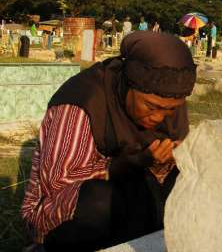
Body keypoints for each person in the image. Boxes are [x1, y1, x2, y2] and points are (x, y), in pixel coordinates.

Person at [21, 31, 196, 251]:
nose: (159, 117)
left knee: (183, 193)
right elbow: (58, 184)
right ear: (128, 85)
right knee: (100, 201)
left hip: (132, 200)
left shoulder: (171, 102)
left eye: (169, 109)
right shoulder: (81, 101)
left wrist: (172, 163)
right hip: (62, 211)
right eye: (151, 107)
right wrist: (132, 163)